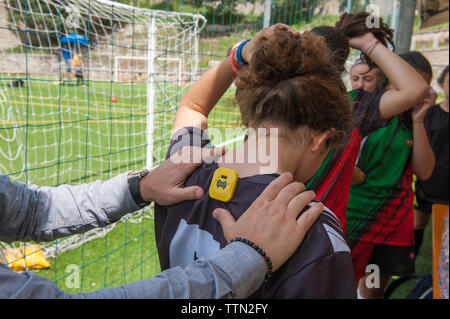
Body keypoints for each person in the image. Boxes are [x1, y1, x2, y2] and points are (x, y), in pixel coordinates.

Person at [155, 24, 357, 298]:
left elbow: (193, 107)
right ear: (320, 140)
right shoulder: (310, 227)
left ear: (252, 116)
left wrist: (239, 54)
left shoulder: (180, 170)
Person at [0, 146, 323, 299]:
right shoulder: (323, 232)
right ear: (323, 138)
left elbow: (31, 210)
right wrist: (246, 259)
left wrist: (138, 189)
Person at [304, 13, 428, 233]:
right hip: (315, 228)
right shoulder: (282, 95)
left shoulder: (353, 104)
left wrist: (369, 44)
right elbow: (416, 89)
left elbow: (417, 90)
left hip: (319, 227)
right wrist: (369, 43)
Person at [346, 51, 436, 299]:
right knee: (343, 283)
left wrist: (418, 121)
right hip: (355, 213)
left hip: (392, 220)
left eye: (422, 85)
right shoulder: (367, 108)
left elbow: (424, 171)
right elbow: (333, 157)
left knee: (374, 288)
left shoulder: (416, 118)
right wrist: (359, 178)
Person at [414, 65, 449, 256]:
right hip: (428, 183)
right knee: (418, 224)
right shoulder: (428, 114)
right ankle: (406, 267)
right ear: (442, 83)